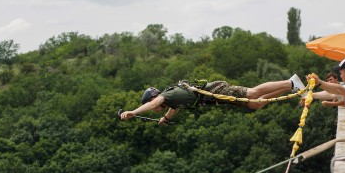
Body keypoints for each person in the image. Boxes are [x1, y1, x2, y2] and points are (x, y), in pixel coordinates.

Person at [120, 74, 305, 124]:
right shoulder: (170, 101)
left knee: (252, 93)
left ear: (153, 97)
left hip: (217, 90)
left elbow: (154, 103)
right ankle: (289, 86)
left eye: (150, 104)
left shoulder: (163, 96)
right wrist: (166, 118)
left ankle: (290, 83)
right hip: (216, 98)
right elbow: (174, 108)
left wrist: (133, 112)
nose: (152, 109)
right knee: (254, 105)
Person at [307, 57, 345, 140]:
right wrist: (309, 95)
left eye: (341, 73)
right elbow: (331, 94)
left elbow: (338, 90)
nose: (340, 76)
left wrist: (319, 82)